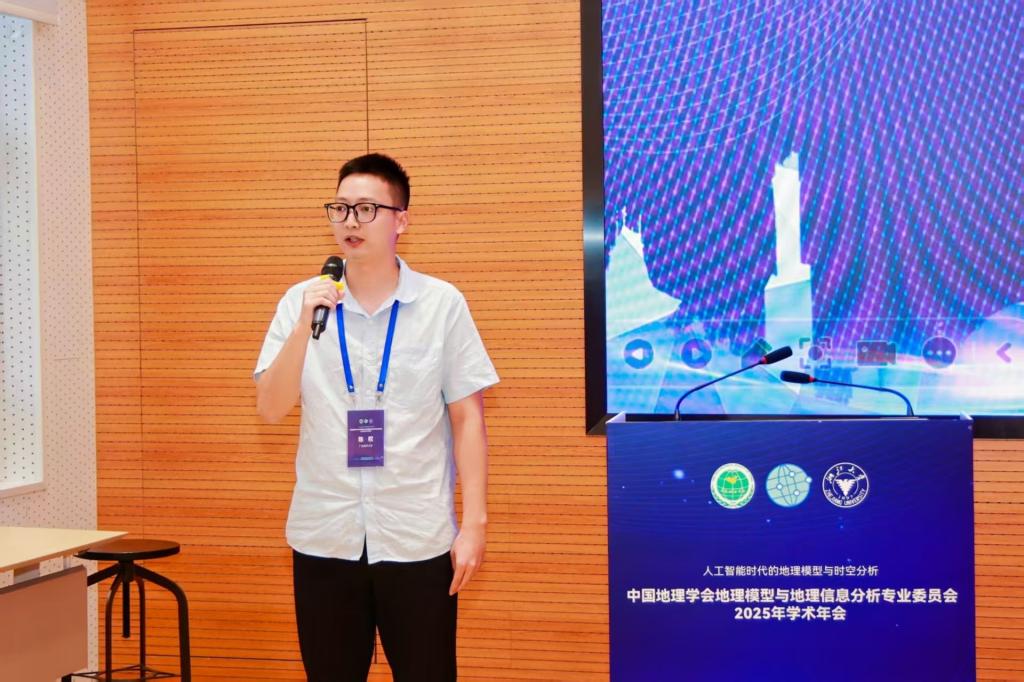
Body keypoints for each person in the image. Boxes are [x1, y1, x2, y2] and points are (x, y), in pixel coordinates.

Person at [254, 153, 498, 681]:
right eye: (340, 208)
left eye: (366, 208)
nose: (350, 221)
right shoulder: (300, 303)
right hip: (325, 535)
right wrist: (303, 326)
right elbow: (270, 408)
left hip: (417, 537)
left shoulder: (441, 304)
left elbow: (468, 420)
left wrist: (474, 525)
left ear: (400, 220)